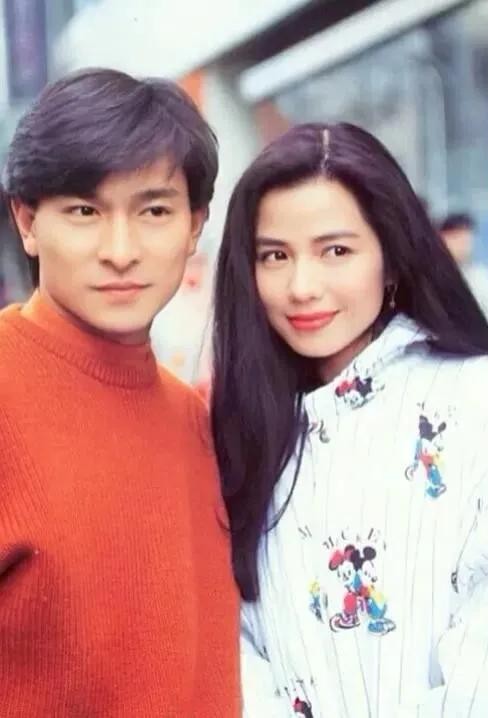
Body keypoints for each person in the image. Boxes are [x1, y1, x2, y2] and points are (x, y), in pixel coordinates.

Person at [211, 123, 488, 717]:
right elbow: (234, 652)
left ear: (391, 259)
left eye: (336, 251)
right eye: (275, 256)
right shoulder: (239, 432)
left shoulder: (479, 401)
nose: (302, 287)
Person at [0, 68, 240, 717]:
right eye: (85, 211)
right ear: (27, 221)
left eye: (154, 211)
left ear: (194, 225)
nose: (121, 250)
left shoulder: (192, 420)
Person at [439, 213, 488, 332]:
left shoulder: (479, 276)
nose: (463, 246)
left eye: (466, 240)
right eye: (456, 238)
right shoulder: (432, 275)